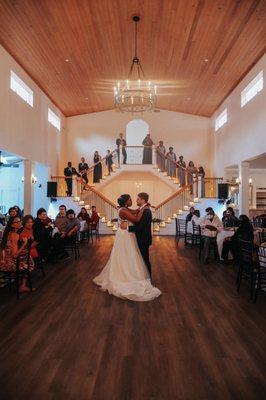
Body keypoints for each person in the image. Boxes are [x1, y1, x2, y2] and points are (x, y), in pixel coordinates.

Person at [93, 193, 161, 301]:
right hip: (125, 234)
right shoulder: (124, 210)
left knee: (133, 255)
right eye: (130, 199)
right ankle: (129, 274)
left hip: (130, 234)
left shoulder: (127, 209)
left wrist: (143, 208)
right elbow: (137, 220)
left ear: (142, 200)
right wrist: (143, 209)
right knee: (127, 254)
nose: (133, 200)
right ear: (125, 202)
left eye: (137, 199)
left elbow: (135, 211)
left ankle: (144, 276)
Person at [0, 216, 35, 293]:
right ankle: (22, 286)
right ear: (12, 225)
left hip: (3, 263)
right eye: (18, 222)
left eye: (20, 221)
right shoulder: (15, 235)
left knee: (26, 258)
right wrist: (25, 243)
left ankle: (19, 283)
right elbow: (15, 255)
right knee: (29, 262)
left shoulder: (7, 234)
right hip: (9, 265)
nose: (20, 223)